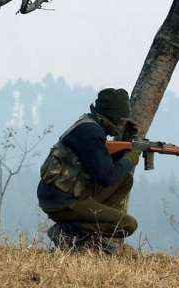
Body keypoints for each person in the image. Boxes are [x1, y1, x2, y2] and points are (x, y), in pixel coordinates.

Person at [37, 88, 140, 253]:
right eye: (120, 121)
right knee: (128, 224)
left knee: (125, 180)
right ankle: (68, 232)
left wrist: (125, 142)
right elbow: (106, 177)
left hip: (63, 193)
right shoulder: (91, 133)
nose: (122, 125)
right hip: (63, 201)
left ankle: (84, 237)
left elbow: (100, 165)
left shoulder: (88, 125)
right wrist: (130, 159)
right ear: (110, 118)